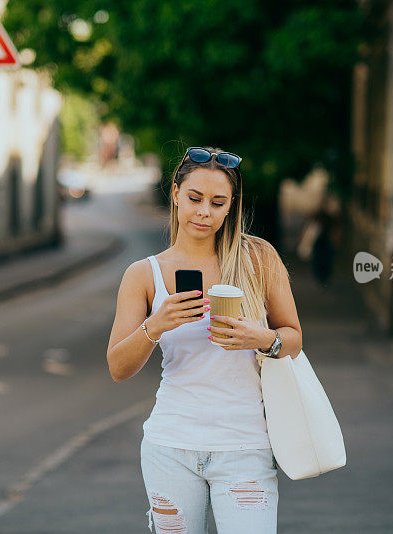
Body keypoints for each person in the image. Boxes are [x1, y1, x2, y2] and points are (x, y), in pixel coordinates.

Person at [106, 146, 302, 533]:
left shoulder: (257, 258)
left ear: (231, 206)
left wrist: (260, 337)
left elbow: (293, 338)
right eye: (195, 198)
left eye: (217, 202)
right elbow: (118, 367)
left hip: (245, 447)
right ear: (176, 194)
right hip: (170, 445)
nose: (204, 212)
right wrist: (155, 325)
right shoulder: (143, 275)